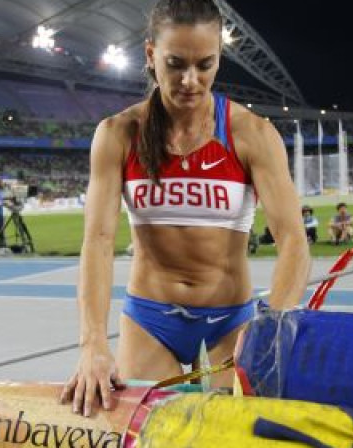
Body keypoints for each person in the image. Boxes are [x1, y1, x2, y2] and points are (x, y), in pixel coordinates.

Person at [61, 0, 310, 418]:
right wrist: (92, 345)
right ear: (150, 56)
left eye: (205, 64)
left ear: (219, 59)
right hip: (149, 320)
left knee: (233, 434)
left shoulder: (251, 134)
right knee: (148, 432)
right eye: (175, 64)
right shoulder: (118, 134)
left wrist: (268, 328)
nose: (191, 81)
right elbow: (99, 242)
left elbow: (293, 240)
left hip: (231, 320)